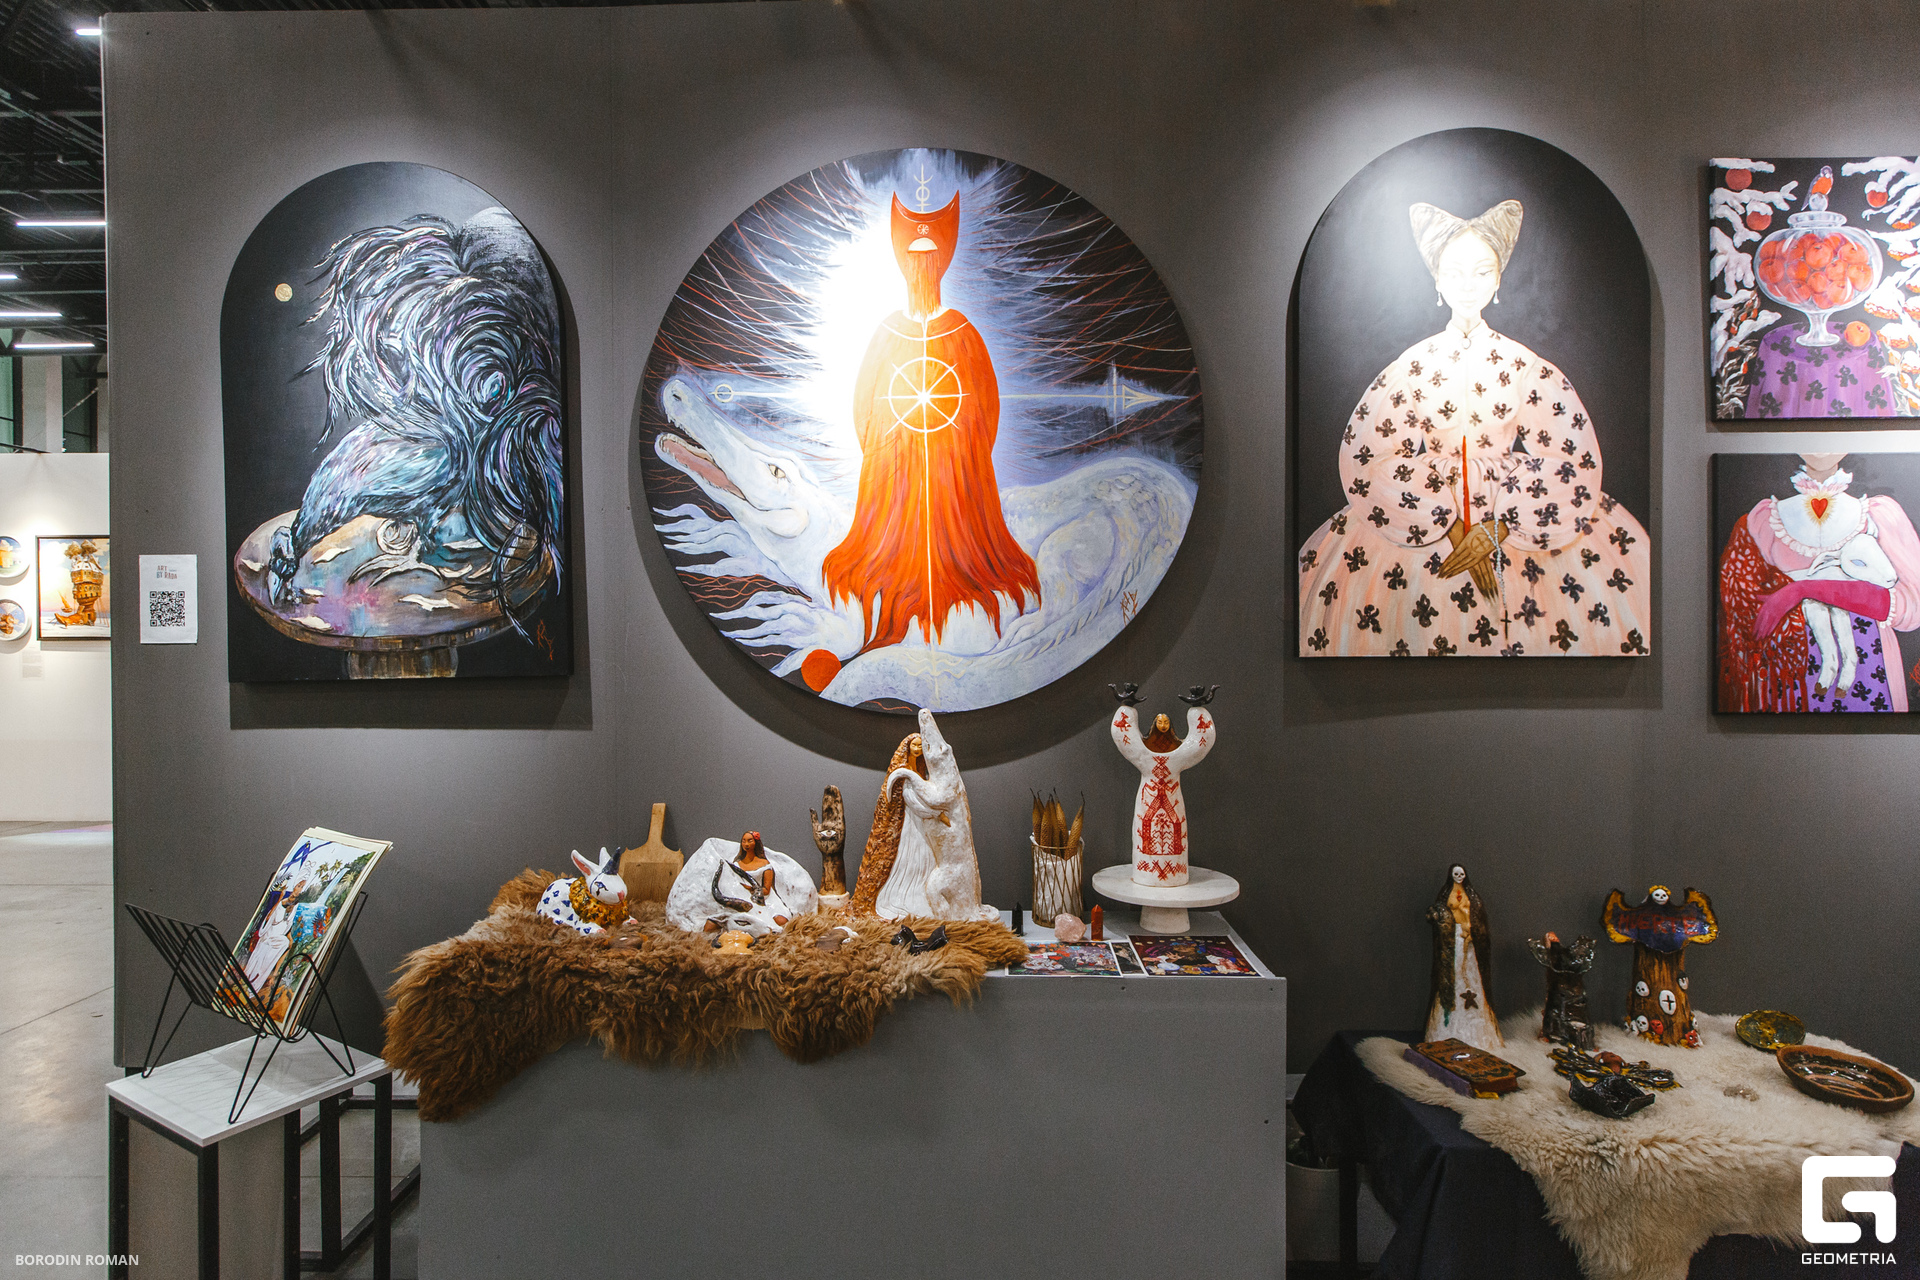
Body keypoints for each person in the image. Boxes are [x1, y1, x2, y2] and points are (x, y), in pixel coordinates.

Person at [1300, 200, 1651, 657]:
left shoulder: (1525, 365)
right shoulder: (1412, 365)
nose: (1468, 285)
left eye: (1482, 272)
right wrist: (1444, 523)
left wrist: (1499, 529)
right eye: (1454, 272)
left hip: (1517, 509)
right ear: (1437, 280)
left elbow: (1571, 458)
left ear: (1499, 279)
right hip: (1420, 512)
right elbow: (1372, 455)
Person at [818, 191, 1041, 675]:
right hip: (901, 488)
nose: (921, 268)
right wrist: (894, 461)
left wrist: (957, 461)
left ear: (942, 262)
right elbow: (868, 414)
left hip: (952, 496)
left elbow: (983, 411)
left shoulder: (960, 332)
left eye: (928, 257)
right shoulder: (892, 333)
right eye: (915, 257)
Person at [1717, 452, 1920, 711]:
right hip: (1787, 673)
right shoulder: (1763, 521)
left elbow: (1911, 609)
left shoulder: (1878, 516)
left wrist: (1803, 589)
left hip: (1870, 666)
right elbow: (1746, 617)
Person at [1426, 865, 1503, 1051]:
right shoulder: (1446, 895)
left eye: (1461, 874)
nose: (1459, 877)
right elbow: (1439, 915)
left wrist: (1473, 933)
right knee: (1454, 973)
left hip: (1469, 940)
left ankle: (1478, 1033)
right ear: (1451, 875)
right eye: (1456, 874)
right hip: (1453, 939)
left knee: (1470, 973)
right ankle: (1448, 1029)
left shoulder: (1472, 896)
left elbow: (1478, 917)